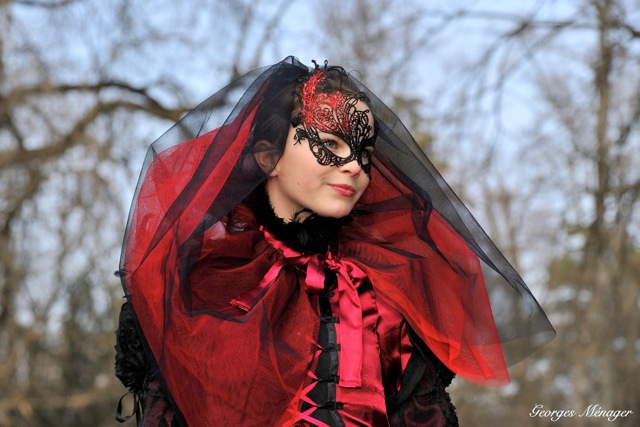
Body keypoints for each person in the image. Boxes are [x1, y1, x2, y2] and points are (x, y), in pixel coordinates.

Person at [114, 57, 554, 427]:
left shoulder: (384, 300)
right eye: (329, 143)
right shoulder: (203, 285)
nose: (354, 166)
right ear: (268, 157)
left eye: (363, 152)